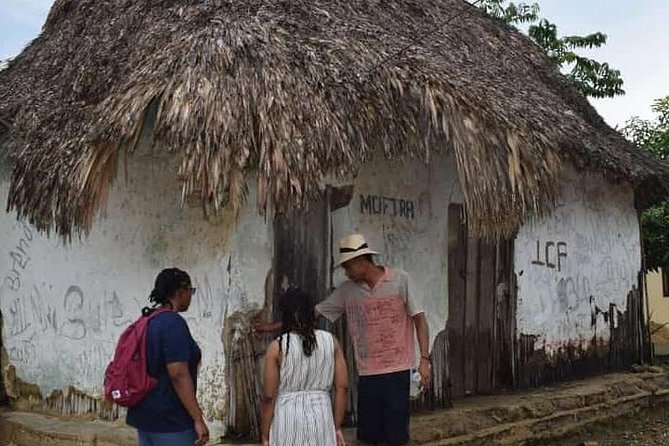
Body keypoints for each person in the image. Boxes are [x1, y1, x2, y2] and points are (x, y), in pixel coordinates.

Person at [256, 234, 431, 446]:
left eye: (348, 267)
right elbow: (309, 314)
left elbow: (420, 320)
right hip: (368, 373)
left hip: (397, 370)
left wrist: (424, 359)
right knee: (369, 437)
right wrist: (271, 328)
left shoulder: (400, 280)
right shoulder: (348, 291)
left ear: (361, 262)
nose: (347, 273)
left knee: (396, 437)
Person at [127, 267, 210, 446]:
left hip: (145, 415)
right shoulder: (173, 324)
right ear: (181, 292)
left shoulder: (147, 321)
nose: (190, 296)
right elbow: (178, 374)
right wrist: (197, 418)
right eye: (191, 291)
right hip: (171, 420)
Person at [260, 288, 348, 446]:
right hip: (322, 417)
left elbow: (268, 396)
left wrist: (265, 435)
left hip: (287, 419)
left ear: (285, 315)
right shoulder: (331, 342)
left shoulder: (277, 347)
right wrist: (336, 427)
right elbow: (342, 388)